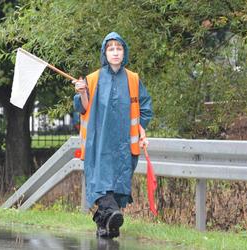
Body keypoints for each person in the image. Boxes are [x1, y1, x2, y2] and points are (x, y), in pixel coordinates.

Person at [73, 32, 153, 238]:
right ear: (105, 53)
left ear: (124, 52)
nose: (115, 52)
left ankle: (106, 226)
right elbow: (82, 109)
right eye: (111, 49)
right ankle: (111, 217)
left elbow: (145, 107)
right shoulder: (92, 79)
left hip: (124, 145)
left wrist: (142, 126)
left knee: (119, 186)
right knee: (102, 184)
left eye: (119, 48)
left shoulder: (133, 79)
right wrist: (82, 92)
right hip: (99, 144)